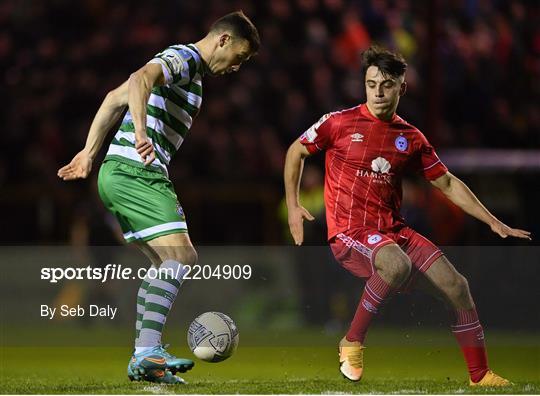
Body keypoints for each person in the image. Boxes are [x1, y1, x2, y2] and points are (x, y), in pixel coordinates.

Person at [283, 46, 531, 387]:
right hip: (350, 231)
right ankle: (352, 341)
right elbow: (296, 151)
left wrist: (492, 221)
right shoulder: (338, 122)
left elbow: (445, 182)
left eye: (386, 84)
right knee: (396, 265)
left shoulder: (410, 138)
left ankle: (480, 375)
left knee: (457, 287)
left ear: (402, 88)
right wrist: (293, 206)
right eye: (371, 84)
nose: (378, 92)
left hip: (392, 232)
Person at [58, 11, 260, 384]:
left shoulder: (193, 75)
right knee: (183, 256)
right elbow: (139, 80)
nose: (237, 67)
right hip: (137, 171)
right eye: (240, 58)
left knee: (163, 264)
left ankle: (145, 356)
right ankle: (148, 350)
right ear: (223, 40)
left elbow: (112, 97)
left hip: (119, 172)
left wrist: (89, 152)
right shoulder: (185, 58)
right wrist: (139, 132)